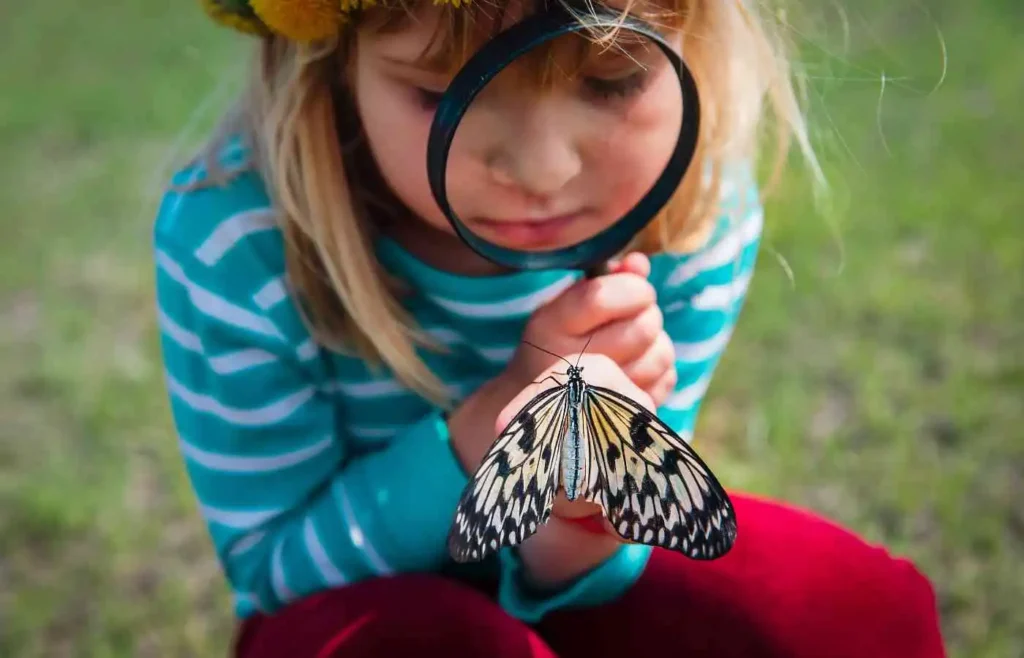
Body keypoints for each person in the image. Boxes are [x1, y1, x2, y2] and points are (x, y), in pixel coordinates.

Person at [153, 0, 947, 655]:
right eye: (439, 95)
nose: (543, 172)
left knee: (863, 617)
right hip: (352, 616)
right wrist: (488, 427)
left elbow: (613, 554)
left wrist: (580, 509)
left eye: (613, 80)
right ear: (333, 64)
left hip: (573, 578)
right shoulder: (236, 242)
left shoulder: (696, 216)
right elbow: (275, 574)